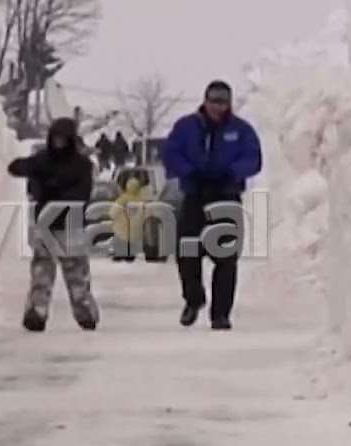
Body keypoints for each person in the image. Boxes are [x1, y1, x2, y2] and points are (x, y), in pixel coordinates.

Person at [160, 79, 262, 330]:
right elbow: (171, 154)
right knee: (187, 252)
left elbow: (253, 159)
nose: (218, 107)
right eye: (214, 101)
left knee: (226, 258)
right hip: (196, 196)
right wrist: (190, 173)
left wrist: (231, 173)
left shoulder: (241, 130)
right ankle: (194, 299)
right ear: (205, 101)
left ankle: (221, 314)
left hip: (226, 198)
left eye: (223, 102)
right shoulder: (186, 127)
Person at [6, 116, 100, 333]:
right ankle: (36, 313)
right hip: (45, 225)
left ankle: (85, 311)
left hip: (70, 224)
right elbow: (17, 167)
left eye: (62, 139)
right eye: (55, 138)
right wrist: (27, 169)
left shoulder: (81, 165)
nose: (58, 142)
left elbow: (82, 194)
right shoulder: (42, 160)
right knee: (42, 273)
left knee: (76, 273)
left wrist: (54, 190)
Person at [109, 175, 153, 262]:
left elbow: (113, 212)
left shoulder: (122, 199)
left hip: (122, 227)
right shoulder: (142, 200)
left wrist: (113, 219)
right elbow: (148, 214)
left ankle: (119, 254)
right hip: (135, 229)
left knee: (120, 240)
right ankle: (130, 255)